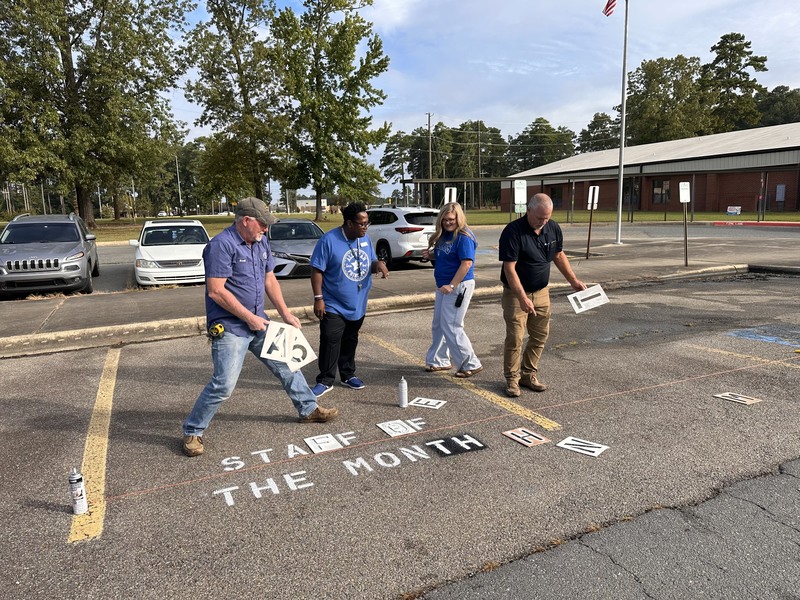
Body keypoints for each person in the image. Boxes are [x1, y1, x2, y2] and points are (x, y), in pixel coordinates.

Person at [182, 198, 338, 457]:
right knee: (223, 384)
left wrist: (285, 313)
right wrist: (249, 318)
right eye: (262, 224)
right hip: (231, 325)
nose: (266, 229)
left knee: (287, 365)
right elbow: (216, 292)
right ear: (246, 220)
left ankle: (309, 409)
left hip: (259, 320)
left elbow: (269, 279)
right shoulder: (221, 246)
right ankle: (193, 430)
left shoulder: (260, 241)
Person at [499, 193, 586, 398]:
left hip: (541, 292)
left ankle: (528, 374)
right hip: (515, 294)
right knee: (515, 337)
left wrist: (573, 280)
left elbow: (558, 255)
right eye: (540, 218)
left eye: (547, 218)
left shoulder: (553, 228)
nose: (543, 222)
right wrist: (521, 297)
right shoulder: (513, 232)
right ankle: (512, 379)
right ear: (528, 211)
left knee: (540, 336)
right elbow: (509, 269)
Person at [310, 201, 389, 397]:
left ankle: (347, 374)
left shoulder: (365, 239)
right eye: (362, 224)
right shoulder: (328, 240)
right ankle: (325, 379)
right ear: (349, 223)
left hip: (358, 301)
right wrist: (318, 298)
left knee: (350, 339)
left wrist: (377, 264)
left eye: (367, 223)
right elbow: (317, 270)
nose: (365, 227)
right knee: (330, 339)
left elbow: (368, 263)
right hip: (333, 302)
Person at [422, 202, 482, 378]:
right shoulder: (444, 235)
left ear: (459, 218)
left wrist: (452, 285)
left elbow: (466, 263)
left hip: (458, 287)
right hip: (443, 286)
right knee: (439, 324)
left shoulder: (464, 237)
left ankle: (470, 363)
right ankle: (439, 360)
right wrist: (430, 255)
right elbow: (446, 256)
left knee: (452, 325)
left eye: (451, 219)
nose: (448, 222)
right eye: (445, 219)